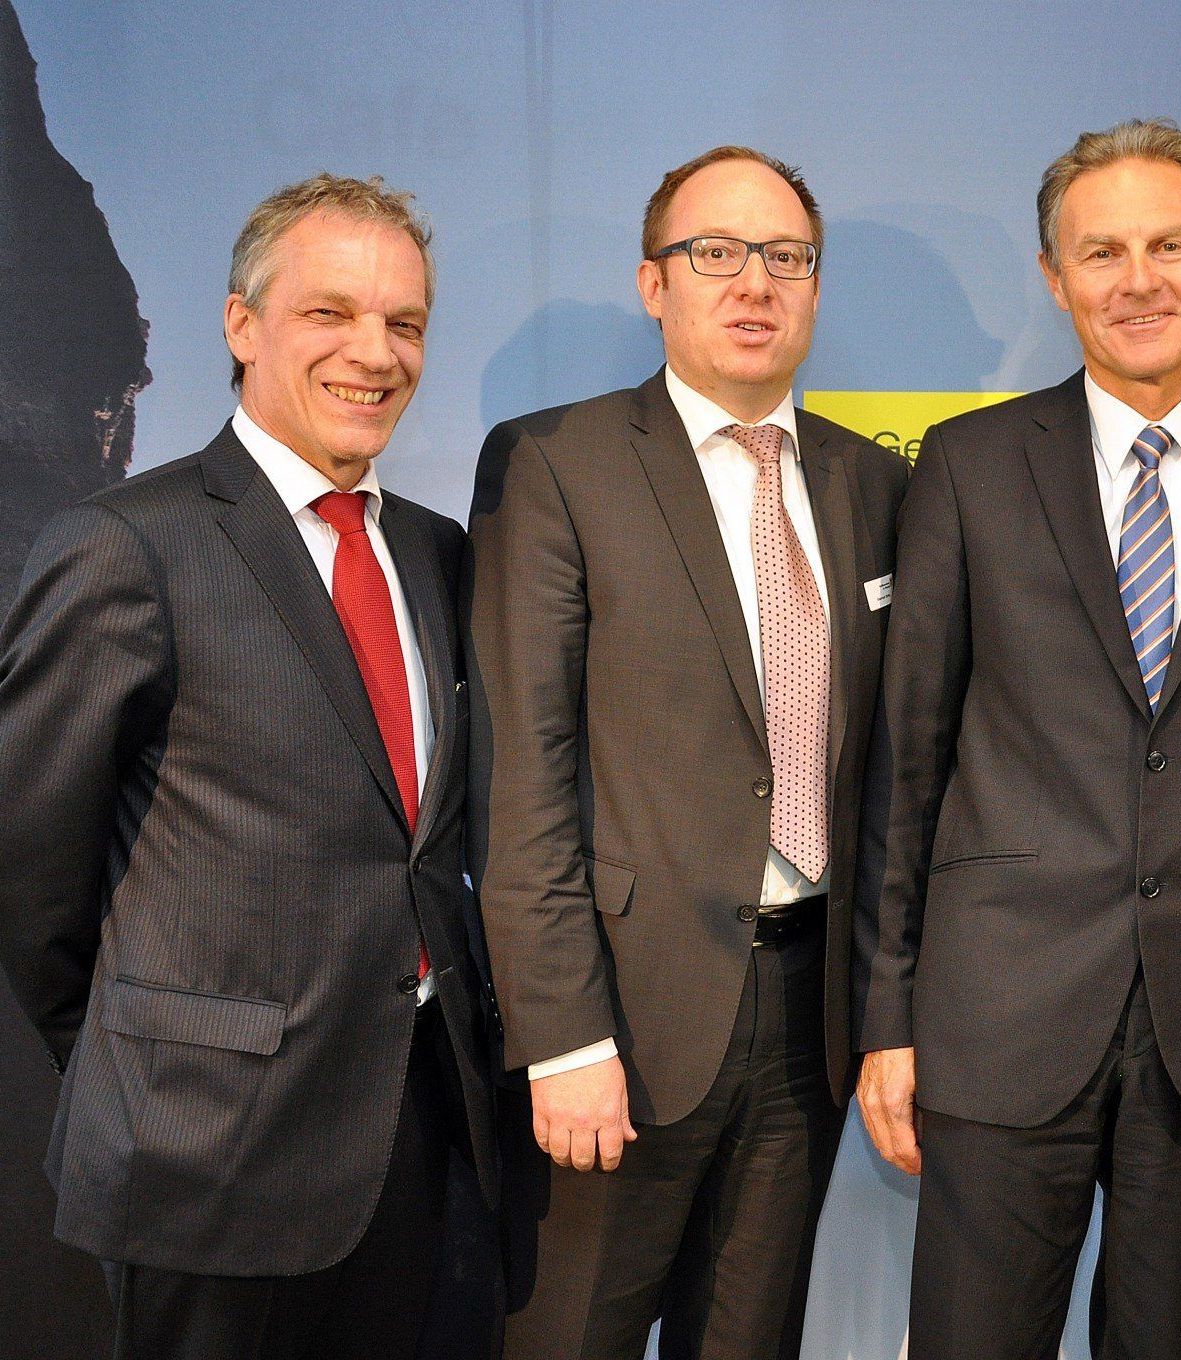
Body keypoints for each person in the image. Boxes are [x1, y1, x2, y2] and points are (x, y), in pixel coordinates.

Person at [853, 118, 1181, 1360]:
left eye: (1168, 245)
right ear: (1055, 277)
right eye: (1102, 252)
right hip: (997, 1011)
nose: (1137, 280)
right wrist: (888, 1016)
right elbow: (907, 761)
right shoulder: (970, 465)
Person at [0, 173, 496, 1360]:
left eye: (404, 322)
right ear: (241, 326)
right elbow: (28, 864)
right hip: (206, 1154)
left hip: (419, 1133)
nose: (373, 352)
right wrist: (148, 1049)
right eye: (330, 313)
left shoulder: (435, 552)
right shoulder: (127, 545)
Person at [465, 145, 909, 1360]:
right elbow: (522, 773)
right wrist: (561, 1036)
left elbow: (892, 781)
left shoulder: (877, 485)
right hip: (620, 1021)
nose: (751, 283)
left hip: (808, 1013)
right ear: (654, 283)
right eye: (713, 253)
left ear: (815, 288)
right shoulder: (556, 462)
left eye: (785, 257)